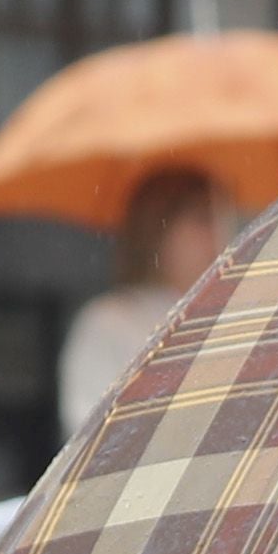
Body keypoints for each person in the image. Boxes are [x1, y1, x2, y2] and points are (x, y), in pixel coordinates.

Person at [61, 166, 233, 435]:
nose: (218, 237)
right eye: (202, 220)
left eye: (221, 219)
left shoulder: (229, 316)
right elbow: (91, 429)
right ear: (158, 228)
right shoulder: (110, 321)